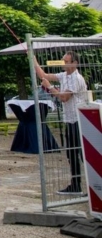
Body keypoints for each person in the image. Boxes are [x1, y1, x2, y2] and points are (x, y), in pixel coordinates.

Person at [33, 51, 87, 195]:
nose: (64, 64)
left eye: (67, 61)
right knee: (71, 153)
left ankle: (89, 185)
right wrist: (34, 61)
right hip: (69, 119)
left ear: (75, 63)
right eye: (63, 61)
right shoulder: (64, 75)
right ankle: (76, 184)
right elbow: (43, 75)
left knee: (81, 153)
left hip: (78, 120)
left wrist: (50, 87)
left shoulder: (76, 78)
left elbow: (64, 98)